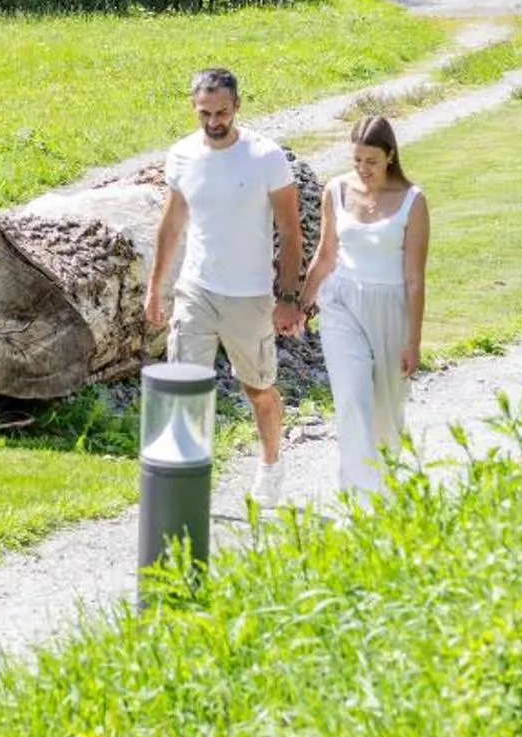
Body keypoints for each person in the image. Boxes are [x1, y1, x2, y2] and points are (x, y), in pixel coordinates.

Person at [144, 67, 303, 505]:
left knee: (258, 389)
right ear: (193, 108)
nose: (214, 122)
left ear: (237, 107)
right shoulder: (181, 155)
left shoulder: (265, 157)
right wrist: (155, 286)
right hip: (196, 288)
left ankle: (271, 464)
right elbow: (172, 222)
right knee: (185, 387)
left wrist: (289, 299)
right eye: (205, 113)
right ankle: (187, 488)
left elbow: (290, 231)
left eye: (222, 113)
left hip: (249, 295)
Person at [301, 113, 429, 499]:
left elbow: (414, 278)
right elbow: (325, 256)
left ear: (390, 156)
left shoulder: (413, 201)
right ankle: (356, 497)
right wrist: (300, 301)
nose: (362, 169)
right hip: (341, 303)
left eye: (371, 161)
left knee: (386, 413)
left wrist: (414, 341)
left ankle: (386, 493)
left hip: (390, 305)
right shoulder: (336, 190)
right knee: (353, 398)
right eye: (356, 160)